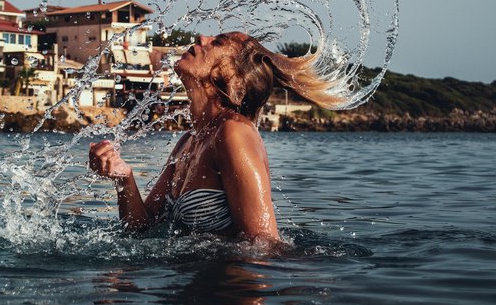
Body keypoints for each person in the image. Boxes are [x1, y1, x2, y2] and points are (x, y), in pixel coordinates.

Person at [89, 32, 343, 241]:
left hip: (228, 294)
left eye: (218, 43)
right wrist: (124, 178)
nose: (201, 38)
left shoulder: (234, 133)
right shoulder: (189, 142)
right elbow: (140, 229)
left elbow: (264, 243)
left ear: (234, 80)